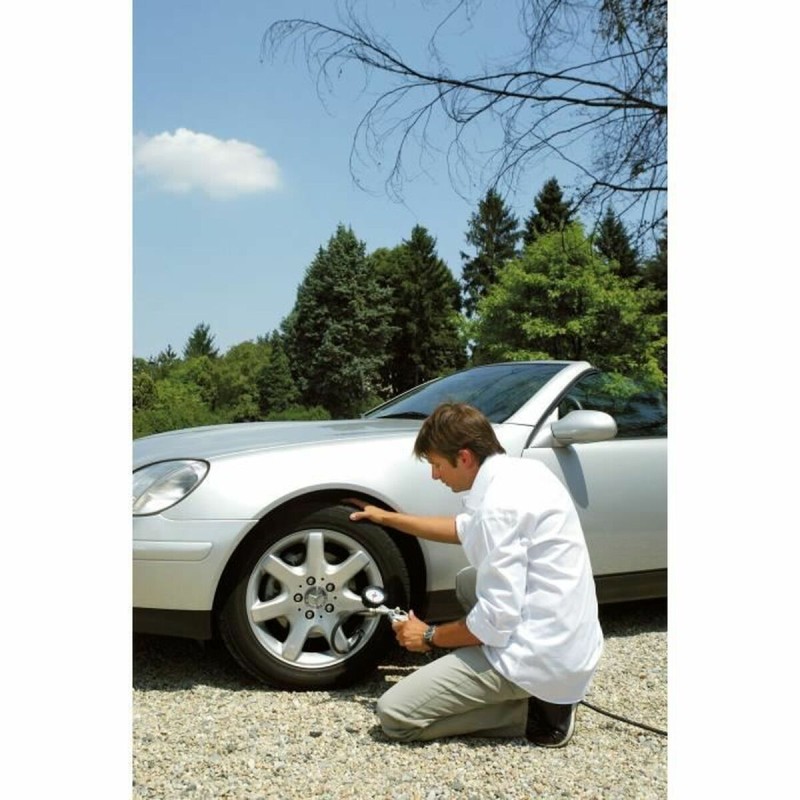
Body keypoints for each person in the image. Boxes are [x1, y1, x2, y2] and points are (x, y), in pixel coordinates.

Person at [349, 401, 603, 747]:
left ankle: (538, 713)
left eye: (437, 465)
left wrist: (428, 636)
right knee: (469, 581)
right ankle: (542, 693)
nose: (435, 475)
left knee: (395, 715)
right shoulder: (524, 473)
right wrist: (387, 518)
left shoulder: (499, 506)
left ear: (464, 457)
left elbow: (496, 622)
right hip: (569, 643)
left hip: (541, 658)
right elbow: (464, 528)